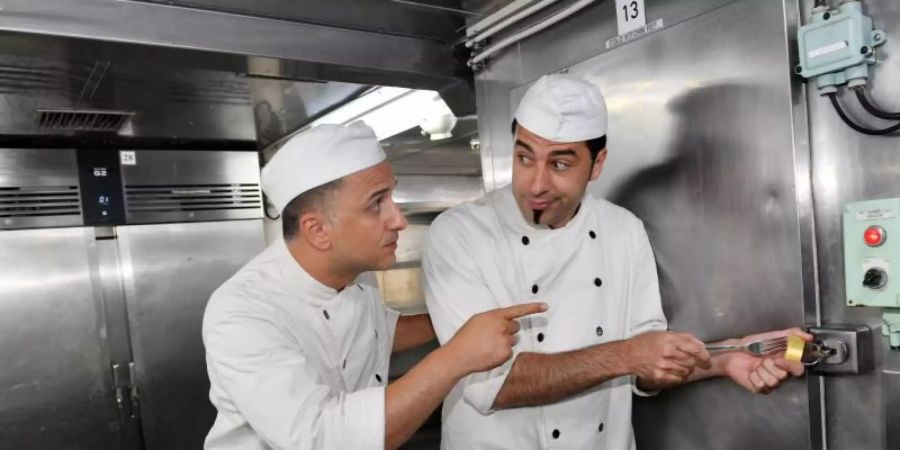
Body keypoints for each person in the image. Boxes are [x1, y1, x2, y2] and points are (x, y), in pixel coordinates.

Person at [422, 74, 811, 449]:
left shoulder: (623, 229)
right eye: (525, 158)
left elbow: (647, 363)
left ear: (597, 164)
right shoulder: (458, 235)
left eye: (559, 164)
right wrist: (627, 354)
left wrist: (727, 356)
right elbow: (494, 382)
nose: (536, 184)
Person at [202, 123, 547, 450]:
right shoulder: (242, 313)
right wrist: (456, 357)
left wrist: (461, 316)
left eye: (392, 197)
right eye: (376, 203)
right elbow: (320, 439)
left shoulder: (355, 274)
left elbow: (377, 331)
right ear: (318, 230)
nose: (399, 220)